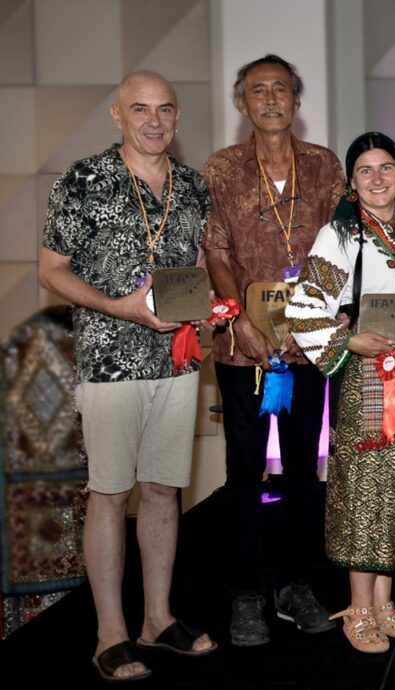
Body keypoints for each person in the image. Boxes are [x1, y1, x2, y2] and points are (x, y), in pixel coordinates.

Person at [38, 70, 217, 682]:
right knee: (111, 495)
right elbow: (51, 271)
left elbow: (196, 264)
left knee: (165, 490)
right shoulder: (83, 180)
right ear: (117, 115)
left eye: (165, 109)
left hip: (179, 360)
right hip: (110, 360)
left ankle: (157, 619)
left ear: (177, 117)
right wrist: (120, 307)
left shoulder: (193, 186)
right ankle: (110, 633)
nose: (153, 120)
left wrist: (207, 316)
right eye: (139, 109)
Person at [285, 132, 395, 653]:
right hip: (366, 375)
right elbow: (302, 307)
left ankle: (384, 604)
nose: (377, 178)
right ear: (351, 183)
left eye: (386, 168)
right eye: (365, 170)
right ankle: (358, 607)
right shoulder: (340, 236)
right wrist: (350, 339)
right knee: (364, 486)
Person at [203, 54, 342, 647]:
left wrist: (316, 318)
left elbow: (341, 249)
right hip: (245, 348)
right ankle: (247, 591)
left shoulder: (324, 166)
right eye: (257, 91)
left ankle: (295, 582)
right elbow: (213, 251)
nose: (269, 100)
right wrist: (237, 319)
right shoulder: (222, 169)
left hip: (309, 346)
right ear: (242, 104)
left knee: (307, 473)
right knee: (245, 469)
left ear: (296, 100)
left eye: (280, 90)